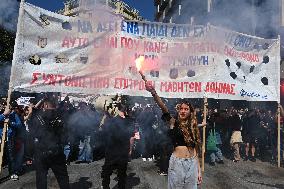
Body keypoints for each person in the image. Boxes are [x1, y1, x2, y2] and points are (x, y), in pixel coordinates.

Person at [145, 82, 202, 189]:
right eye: (181, 109)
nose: (183, 111)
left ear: (190, 112)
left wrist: (198, 170)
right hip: (177, 163)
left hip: (192, 163)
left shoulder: (193, 126)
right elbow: (163, 107)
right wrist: (153, 92)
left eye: (186, 109)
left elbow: (195, 150)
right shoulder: (173, 122)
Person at [29, 94, 70, 189]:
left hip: (41, 153)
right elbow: (65, 135)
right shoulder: (61, 115)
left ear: (45, 105)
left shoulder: (37, 117)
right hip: (56, 151)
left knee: (41, 179)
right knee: (63, 178)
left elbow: (31, 134)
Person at [100, 98, 134, 189]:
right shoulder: (130, 121)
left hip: (111, 151)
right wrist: (130, 150)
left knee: (107, 173)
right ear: (124, 110)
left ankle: (105, 187)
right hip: (123, 151)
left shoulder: (110, 121)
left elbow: (100, 129)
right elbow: (131, 138)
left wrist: (105, 115)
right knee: (122, 174)